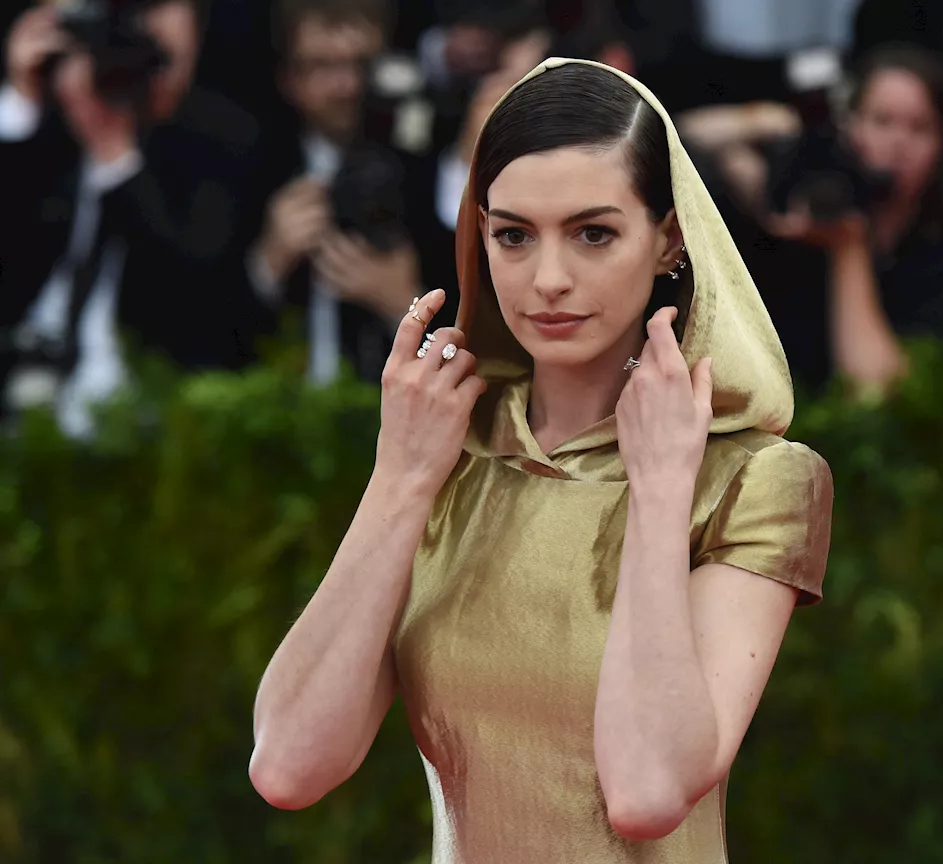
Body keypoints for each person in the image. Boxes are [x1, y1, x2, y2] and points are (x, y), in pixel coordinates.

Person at [248, 58, 834, 862]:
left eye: (593, 233)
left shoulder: (757, 477)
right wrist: (400, 476)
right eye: (513, 235)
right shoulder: (448, 455)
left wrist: (661, 490)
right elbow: (288, 766)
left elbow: (647, 789)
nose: (548, 279)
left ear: (669, 240)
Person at [0, 0, 262, 436]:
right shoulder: (57, 119)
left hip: (142, 404)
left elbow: (199, 290)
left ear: (197, 40)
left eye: (163, 59)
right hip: (23, 382)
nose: (145, 75)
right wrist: (20, 99)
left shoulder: (223, 139)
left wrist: (116, 158)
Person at [245, 0, 444, 385]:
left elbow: (481, 357)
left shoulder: (429, 176)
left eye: (361, 64)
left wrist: (405, 303)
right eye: (322, 66)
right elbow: (203, 336)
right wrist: (265, 265)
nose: (347, 86)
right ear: (289, 79)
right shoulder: (254, 172)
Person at [771, 45, 943, 390]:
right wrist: (769, 120)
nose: (898, 142)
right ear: (850, 127)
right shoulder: (803, 186)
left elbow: (877, 389)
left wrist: (849, 248)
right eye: (881, 121)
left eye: (920, 128)